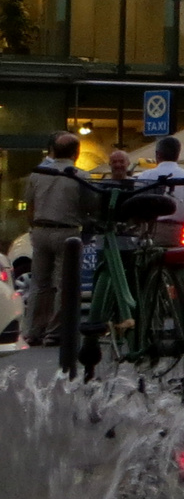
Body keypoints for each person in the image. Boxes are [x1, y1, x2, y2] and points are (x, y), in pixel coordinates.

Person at [24, 132, 88, 346]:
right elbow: (90, 206)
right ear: (76, 153)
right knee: (65, 283)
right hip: (67, 232)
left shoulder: (37, 173)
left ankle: (34, 330)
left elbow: (29, 205)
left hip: (40, 230)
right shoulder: (79, 175)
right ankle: (55, 331)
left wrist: (33, 226)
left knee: (39, 283)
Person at [142, 135, 184, 243]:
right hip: (179, 230)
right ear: (178, 154)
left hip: (152, 229)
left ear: (158, 154)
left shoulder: (145, 176)